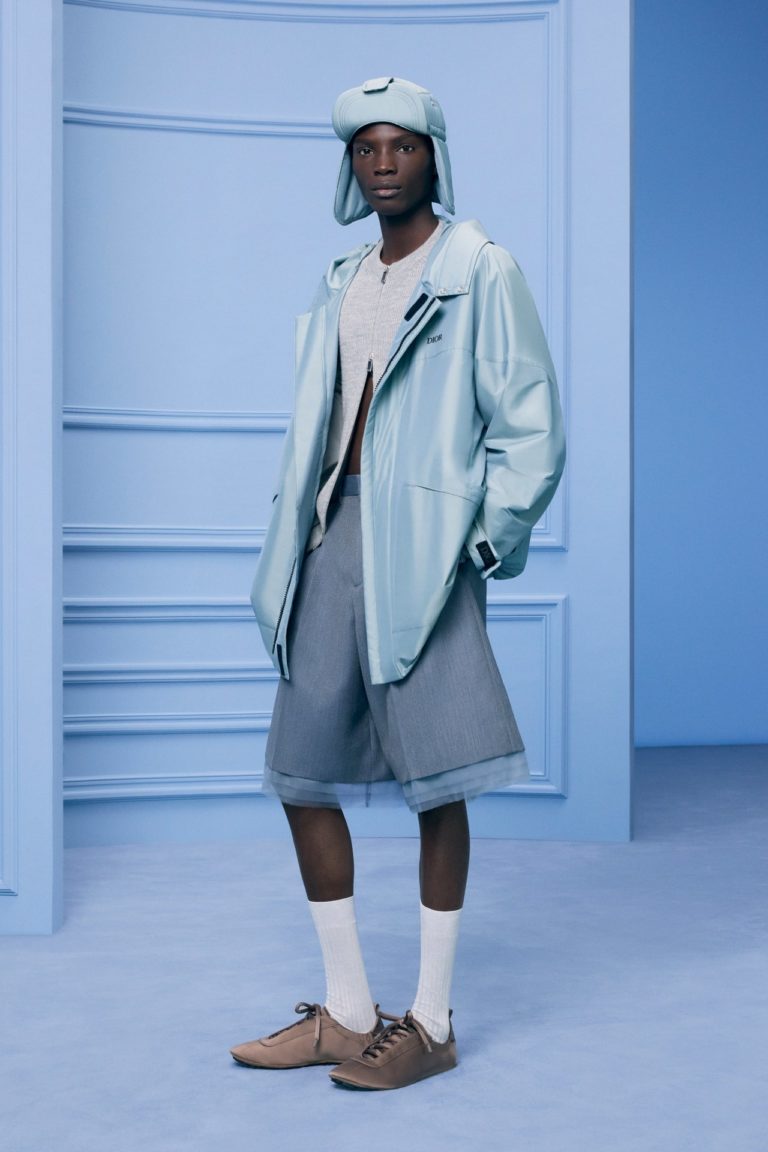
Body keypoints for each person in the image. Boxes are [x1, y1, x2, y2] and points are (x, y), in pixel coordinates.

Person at [231, 76, 566, 1090]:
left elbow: (533, 427)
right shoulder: (343, 278)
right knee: (300, 774)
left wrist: (481, 543)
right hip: (330, 536)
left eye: (403, 146)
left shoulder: (478, 267)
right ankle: (346, 1013)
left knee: (439, 780)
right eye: (367, 148)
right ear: (352, 165)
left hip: (426, 549)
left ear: (433, 157)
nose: (384, 164)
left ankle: (431, 1020)